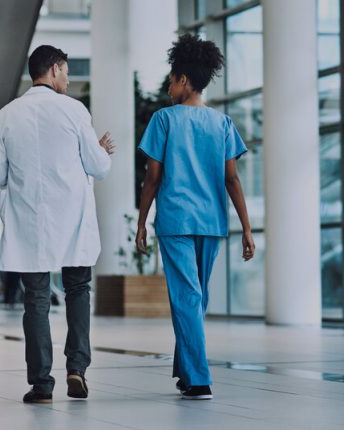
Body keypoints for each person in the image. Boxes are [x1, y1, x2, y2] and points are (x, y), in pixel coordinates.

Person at [0, 45, 114, 403]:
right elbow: (98, 166)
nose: (69, 79)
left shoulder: (6, 115)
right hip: (73, 220)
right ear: (55, 69)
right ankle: (77, 368)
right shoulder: (74, 110)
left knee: (37, 300)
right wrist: (100, 151)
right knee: (78, 290)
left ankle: (41, 385)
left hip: (31, 222)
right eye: (67, 72)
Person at [135, 34, 255, 400]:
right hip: (212, 222)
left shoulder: (164, 119)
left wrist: (141, 222)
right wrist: (246, 229)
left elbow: (153, 176)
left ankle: (199, 378)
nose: (169, 88)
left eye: (172, 80)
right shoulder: (222, 124)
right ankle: (187, 372)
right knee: (196, 299)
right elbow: (231, 179)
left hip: (175, 221)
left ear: (184, 79)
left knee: (188, 298)